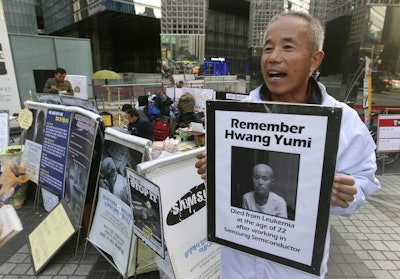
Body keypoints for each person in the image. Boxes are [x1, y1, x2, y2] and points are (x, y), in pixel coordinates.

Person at [195, 11, 381, 278]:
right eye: (268, 48)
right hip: (238, 266)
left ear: (315, 60)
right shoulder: (234, 116)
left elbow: (364, 180)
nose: (273, 57)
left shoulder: (344, 121)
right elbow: (222, 183)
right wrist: (213, 167)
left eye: (288, 47)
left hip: (297, 268)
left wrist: (346, 192)